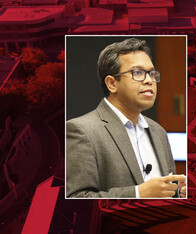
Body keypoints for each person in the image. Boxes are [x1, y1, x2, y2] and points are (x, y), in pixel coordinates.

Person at [66, 38, 186, 198]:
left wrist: (179, 193)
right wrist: (138, 193)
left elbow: (163, 192)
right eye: (137, 73)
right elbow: (76, 198)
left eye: (152, 73)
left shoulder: (158, 132)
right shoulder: (81, 131)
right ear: (112, 84)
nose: (149, 80)